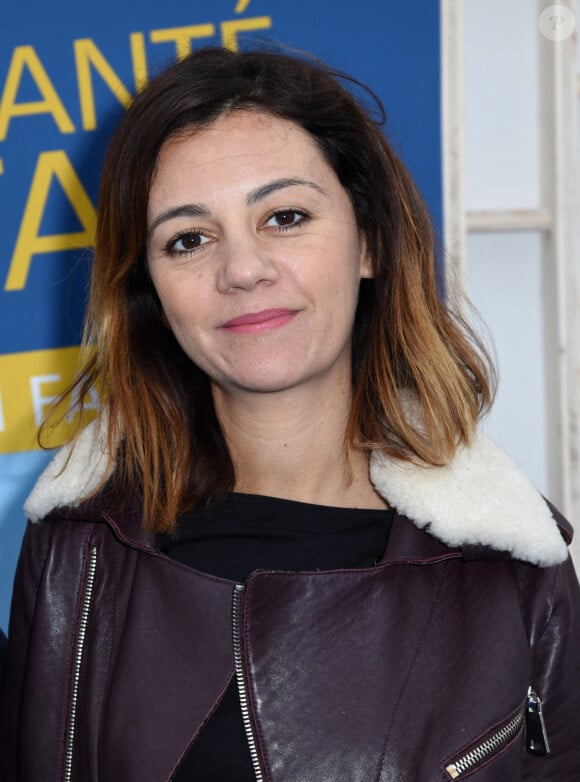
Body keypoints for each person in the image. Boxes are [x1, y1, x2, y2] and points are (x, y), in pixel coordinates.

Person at [0, 46, 579, 782]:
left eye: (285, 216)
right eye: (189, 239)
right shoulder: (76, 551)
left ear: (368, 241)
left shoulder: (513, 567)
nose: (242, 269)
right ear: (150, 290)